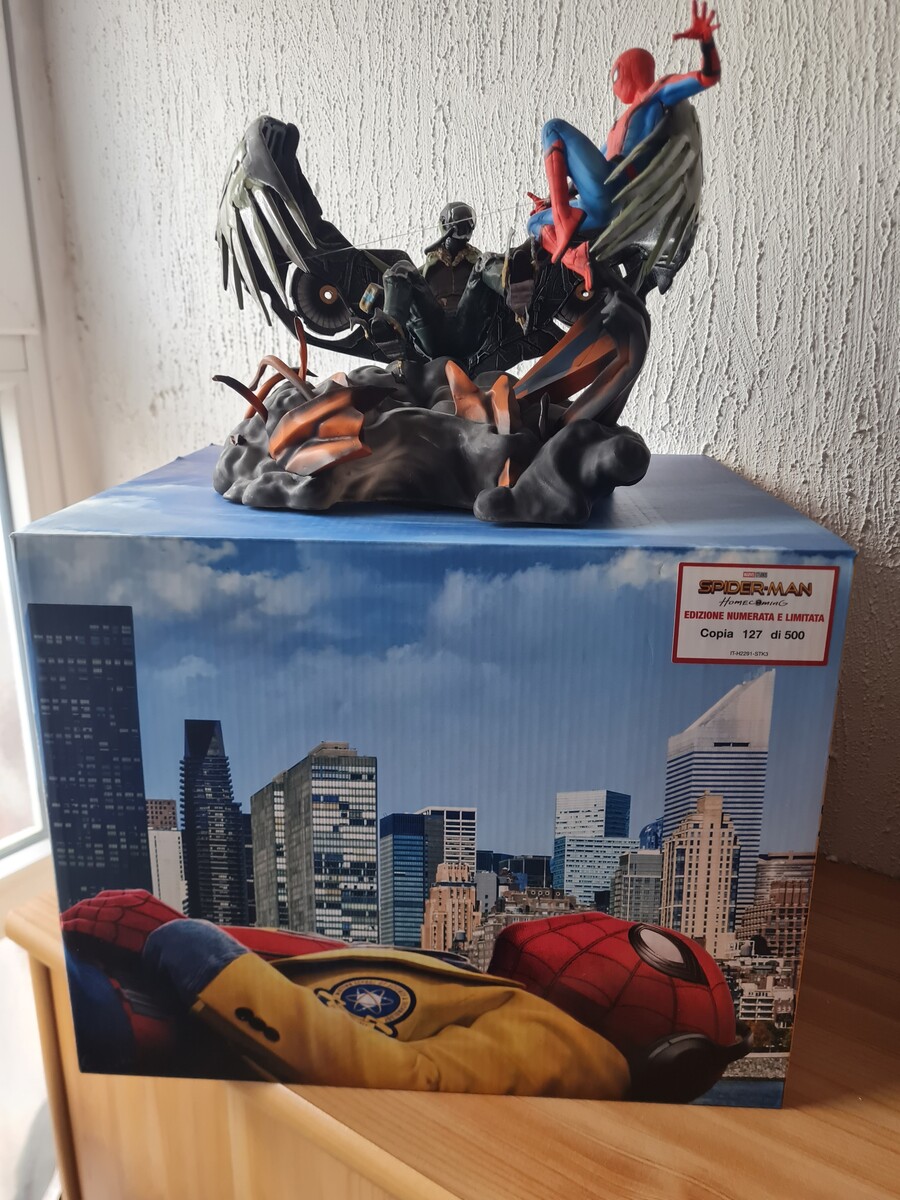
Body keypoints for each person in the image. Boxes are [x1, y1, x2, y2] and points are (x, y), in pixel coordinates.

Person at [528, 0, 721, 262]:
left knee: (553, 128)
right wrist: (554, 198)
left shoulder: (656, 97)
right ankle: (577, 260)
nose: (614, 85)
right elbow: (584, 171)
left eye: (616, 76)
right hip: (598, 209)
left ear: (628, 70)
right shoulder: (619, 126)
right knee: (535, 222)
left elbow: (708, 76)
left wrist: (706, 42)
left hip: (614, 190)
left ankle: (564, 223)